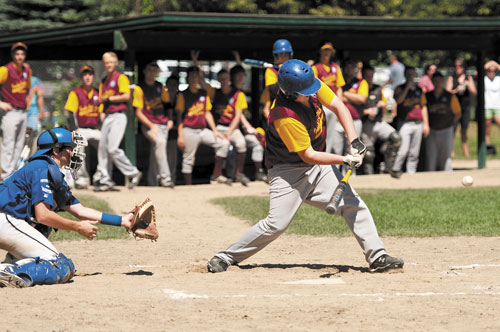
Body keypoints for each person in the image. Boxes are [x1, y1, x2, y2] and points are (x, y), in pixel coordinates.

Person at [207, 59, 404, 274]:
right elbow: (308, 155)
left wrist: (354, 141)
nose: (313, 93)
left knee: (353, 204)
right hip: (288, 171)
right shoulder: (284, 116)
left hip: (319, 166)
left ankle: (377, 256)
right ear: (291, 93)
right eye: (307, 91)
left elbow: (338, 105)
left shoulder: (308, 83)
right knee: (276, 224)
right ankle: (225, 256)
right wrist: (344, 160)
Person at [0, 127, 135, 288]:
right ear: (56, 151)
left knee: (44, 246)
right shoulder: (41, 167)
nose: (73, 152)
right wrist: (78, 227)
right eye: (70, 148)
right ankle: (7, 269)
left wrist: (123, 221)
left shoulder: (52, 174)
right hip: (5, 220)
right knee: (58, 264)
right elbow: (43, 215)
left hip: (8, 222)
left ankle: (13, 264)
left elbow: (80, 210)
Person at [95, 52, 142, 192]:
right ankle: (105, 180)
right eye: (106, 62)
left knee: (112, 148)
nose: (109, 65)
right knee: (102, 148)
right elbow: (101, 99)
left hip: (119, 115)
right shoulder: (104, 80)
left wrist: (109, 100)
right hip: (108, 115)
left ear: (115, 63)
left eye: (111, 62)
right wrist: (102, 111)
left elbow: (126, 96)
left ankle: (133, 172)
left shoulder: (120, 77)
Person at [175, 66, 229, 185]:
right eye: (192, 76)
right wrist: (180, 135)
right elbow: (179, 116)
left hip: (202, 129)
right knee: (188, 158)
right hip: (188, 129)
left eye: (196, 76)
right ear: (187, 78)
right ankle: (188, 186)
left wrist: (214, 130)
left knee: (223, 143)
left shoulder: (203, 93)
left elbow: (207, 113)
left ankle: (216, 176)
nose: (194, 78)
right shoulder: (183, 94)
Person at [133, 62, 174, 188]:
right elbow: (138, 112)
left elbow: (168, 105)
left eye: (154, 70)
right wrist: (151, 126)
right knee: (160, 143)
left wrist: (170, 119)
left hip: (162, 123)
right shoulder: (139, 88)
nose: (152, 72)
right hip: (149, 125)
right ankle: (166, 178)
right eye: (149, 70)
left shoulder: (161, 87)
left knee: (157, 151)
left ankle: (152, 182)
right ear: (144, 71)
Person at [64, 65, 104, 189]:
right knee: (79, 145)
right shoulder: (76, 93)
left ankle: (101, 177)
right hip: (80, 128)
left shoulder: (98, 92)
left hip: (95, 129)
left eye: (90, 74)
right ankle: (82, 180)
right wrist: (74, 129)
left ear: (93, 76)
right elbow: (70, 113)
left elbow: (103, 111)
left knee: (106, 144)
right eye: (85, 74)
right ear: (81, 77)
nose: (87, 77)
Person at [212, 66, 251, 186]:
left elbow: (238, 115)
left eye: (226, 78)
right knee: (222, 146)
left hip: (232, 127)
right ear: (218, 80)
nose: (224, 80)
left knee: (241, 144)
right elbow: (202, 83)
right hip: (219, 127)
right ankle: (217, 175)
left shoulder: (237, 94)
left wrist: (229, 132)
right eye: (221, 79)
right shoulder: (215, 92)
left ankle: (238, 174)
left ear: (229, 79)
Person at [360, 64, 401, 174]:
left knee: (395, 138)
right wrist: (365, 112)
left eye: (371, 75)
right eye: (367, 75)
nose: (369, 78)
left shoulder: (377, 88)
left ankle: (388, 168)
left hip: (378, 122)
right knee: (368, 155)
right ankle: (369, 176)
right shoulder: (358, 87)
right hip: (365, 123)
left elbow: (385, 106)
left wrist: (382, 107)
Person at [0, 42, 32, 180]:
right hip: (10, 112)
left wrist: (28, 102)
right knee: (8, 144)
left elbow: (28, 89)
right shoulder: (5, 70)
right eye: (17, 54)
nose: (20, 56)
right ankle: (6, 175)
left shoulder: (27, 70)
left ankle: (12, 174)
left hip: (23, 112)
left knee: (19, 145)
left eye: (22, 54)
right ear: (13, 55)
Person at [391, 67, 430, 178]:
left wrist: (426, 123)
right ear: (405, 75)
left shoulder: (419, 89)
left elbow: (423, 107)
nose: (411, 76)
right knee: (403, 149)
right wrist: (407, 88)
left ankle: (411, 172)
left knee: (414, 151)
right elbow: (398, 101)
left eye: (412, 74)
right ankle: (395, 169)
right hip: (405, 123)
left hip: (418, 123)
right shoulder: (399, 88)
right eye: (408, 74)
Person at [312, 41, 346, 155]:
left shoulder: (335, 67)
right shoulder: (315, 68)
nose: (327, 53)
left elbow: (339, 87)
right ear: (320, 52)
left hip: (333, 105)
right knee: (320, 134)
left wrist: (340, 106)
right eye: (325, 50)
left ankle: (328, 158)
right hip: (321, 106)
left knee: (333, 136)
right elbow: (312, 90)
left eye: (329, 50)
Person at [424, 72, 461, 172]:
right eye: (435, 81)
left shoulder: (449, 96)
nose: (438, 83)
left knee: (446, 156)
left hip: (446, 129)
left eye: (440, 81)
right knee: (431, 156)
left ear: (443, 82)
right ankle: (431, 177)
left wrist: (450, 123)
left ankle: (447, 178)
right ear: (432, 82)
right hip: (432, 129)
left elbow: (458, 113)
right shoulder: (427, 96)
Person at [329, 59, 366, 158]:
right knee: (335, 151)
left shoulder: (361, 82)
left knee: (353, 151)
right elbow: (337, 98)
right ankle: (336, 173)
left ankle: (351, 174)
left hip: (355, 120)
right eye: (347, 66)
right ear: (343, 68)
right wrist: (352, 97)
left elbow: (362, 99)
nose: (350, 69)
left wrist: (345, 94)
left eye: (352, 66)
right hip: (338, 120)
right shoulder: (338, 81)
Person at [446, 58, 477, 157]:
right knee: (453, 129)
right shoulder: (452, 77)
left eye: (460, 66)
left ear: (463, 67)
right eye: (456, 66)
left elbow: (474, 92)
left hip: (465, 107)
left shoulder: (468, 78)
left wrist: (468, 85)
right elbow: (447, 91)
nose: (457, 68)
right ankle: (451, 150)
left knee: (464, 130)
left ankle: (466, 152)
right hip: (454, 108)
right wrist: (456, 90)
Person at [165, 74, 180, 183]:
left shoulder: (180, 98)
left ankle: (172, 178)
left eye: (174, 84)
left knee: (172, 157)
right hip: (162, 129)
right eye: (170, 84)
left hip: (175, 131)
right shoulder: (162, 98)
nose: (172, 86)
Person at [483, 60, 500, 146]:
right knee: (487, 129)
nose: (491, 72)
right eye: (489, 70)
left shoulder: (498, 79)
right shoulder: (484, 79)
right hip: (487, 107)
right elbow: (483, 67)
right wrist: (490, 64)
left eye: (494, 71)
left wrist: (494, 64)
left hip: (497, 107)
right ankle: (487, 145)